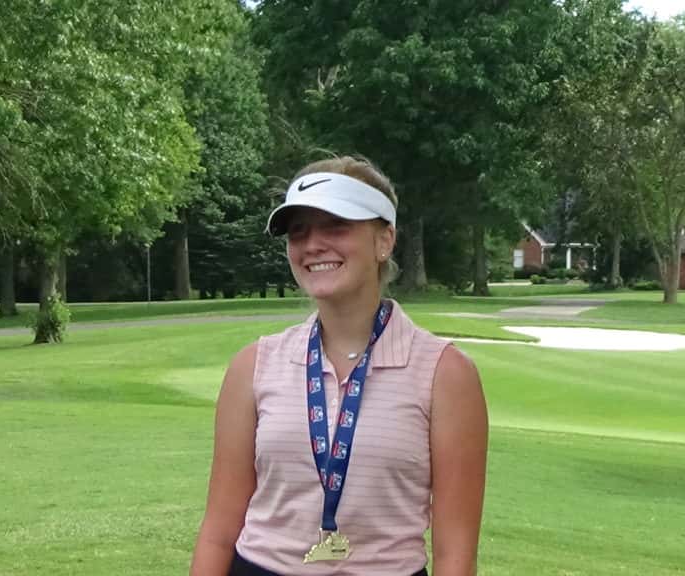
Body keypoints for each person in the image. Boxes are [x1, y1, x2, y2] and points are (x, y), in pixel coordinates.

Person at [190, 156, 487, 576]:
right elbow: (219, 533)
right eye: (299, 231)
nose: (312, 244)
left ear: (384, 241)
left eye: (335, 225)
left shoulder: (445, 373)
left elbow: (455, 554)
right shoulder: (254, 365)